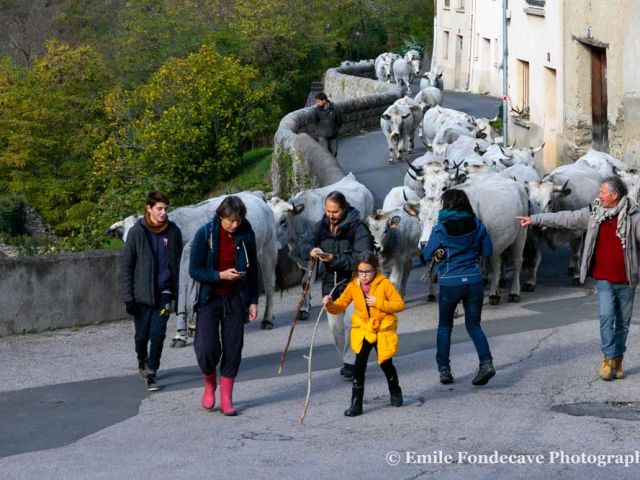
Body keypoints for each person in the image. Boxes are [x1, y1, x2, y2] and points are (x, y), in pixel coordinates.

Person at [517, 176, 640, 381]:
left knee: (623, 324)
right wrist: (536, 219)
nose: (598, 195)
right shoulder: (593, 213)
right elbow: (566, 217)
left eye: (602, 192)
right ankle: (608, 359)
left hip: (627, 279)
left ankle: (618, 359)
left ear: (614, 196)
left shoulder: (634, 217)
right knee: (606, 317)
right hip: (604, 278)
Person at [189, 195, 259, 415]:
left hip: (236, 298)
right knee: (206, 347)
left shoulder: (246, 234)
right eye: (230, 220)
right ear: (221, 216)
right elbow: (194, 270)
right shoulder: (205, 234)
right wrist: (219, 275)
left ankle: (226, 398)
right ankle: (210, 384)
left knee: (233, 347)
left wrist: (254, 300)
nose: (234, 225)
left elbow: (253, 269)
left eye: (238, 220)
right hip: (211, 297)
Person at [422, 188, 496, 386]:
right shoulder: (477, 224)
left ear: (446, 205)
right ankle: (486, 363)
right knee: (474, 325)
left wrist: (442, 252)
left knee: (445, 326)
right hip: (473, 280)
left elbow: (428, 254)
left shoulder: (440, 228)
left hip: (450, 282)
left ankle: (444, 369)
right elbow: (488, 250)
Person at [298, 191, 374, 379]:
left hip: (354, 284)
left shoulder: (358, 229)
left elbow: (363, 260)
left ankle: (352, 363)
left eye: (335, 212)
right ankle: (350, 359)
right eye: (328, 211)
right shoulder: (321, 226)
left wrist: (333, 259)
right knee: (335, 327)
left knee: (351, 322)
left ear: (344, 209)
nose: (331, 215)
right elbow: (302, 244)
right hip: (330, 286)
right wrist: (311, 251)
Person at [323, 251, 405, 417]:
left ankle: (395, 391)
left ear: (375, 270)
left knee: (385, 364)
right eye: (361, 272)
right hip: (363, 329)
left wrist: (378, 303)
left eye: (368, 272)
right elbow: (340, 306)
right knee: (358, 366)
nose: (364, 276)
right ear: (357, 271)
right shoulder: (353, 286)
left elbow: (399, 304)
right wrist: (330, 304)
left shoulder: (384, 284)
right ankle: (356, 403)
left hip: (382, 328)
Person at [122, 191, 183, 392]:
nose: (163, 213)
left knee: (158, 334)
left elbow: (178, 264)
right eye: (159, 209)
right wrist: (128, 298)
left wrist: (177, 293)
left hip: (164, 293)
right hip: (142, 294)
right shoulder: (137, 232)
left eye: (166, 209)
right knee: (142, 336)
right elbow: (127, 266)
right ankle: (142, 360)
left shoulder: (173, 232)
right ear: (149, 209)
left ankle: (152, 371)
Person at [314, 91, 342, 156]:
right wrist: (320, 130)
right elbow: (315, 121)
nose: (317, 103)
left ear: (324, 100)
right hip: (322, 135)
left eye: (318, 101)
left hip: (333, 134)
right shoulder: (317, 110)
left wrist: (336, 130)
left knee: (334, 152)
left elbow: (340, 121)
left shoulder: (335, 108)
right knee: (325, 154)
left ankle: (333, 166)